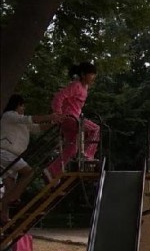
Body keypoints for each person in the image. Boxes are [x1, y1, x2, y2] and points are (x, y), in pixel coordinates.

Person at [1, 94, 55, 223]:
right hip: (5, 153)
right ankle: (14, 198)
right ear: (17, 105)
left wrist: (53, 123)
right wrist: (50, 116)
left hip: (12, 156)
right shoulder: (9, 115)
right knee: (29, 172)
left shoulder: (21, 122)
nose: (24, 108)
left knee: (10, 187)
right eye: (22, 106)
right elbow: (31, 119)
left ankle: (4, 216)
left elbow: (38, 128)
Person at [43, 62, 100, 182]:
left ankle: (52, 170)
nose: (93, 78)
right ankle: (88, 155)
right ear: (83, 75)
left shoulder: (84, 88)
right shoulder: (76, 85)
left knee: (73, 148)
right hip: (70, 118)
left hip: (73, 119)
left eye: (94, 75)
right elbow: (59, 97)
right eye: (91, 75)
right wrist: (58, 113)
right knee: (95, 129)